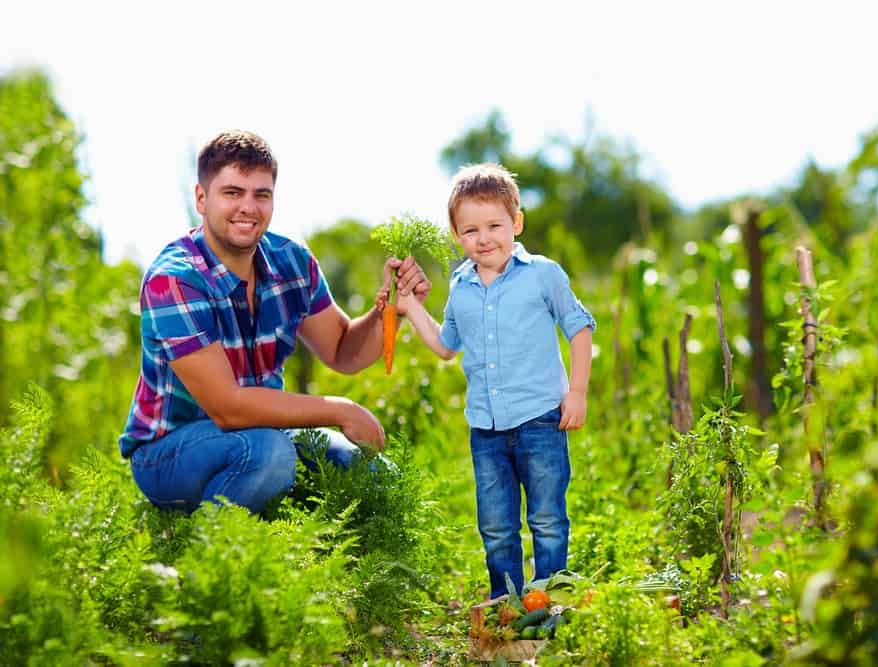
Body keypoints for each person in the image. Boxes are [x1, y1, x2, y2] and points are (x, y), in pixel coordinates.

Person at [119, 130, 430, 514]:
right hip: (169, 453)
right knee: (269, 454)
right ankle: (206, 555)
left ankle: (330, 563)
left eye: (261, 194)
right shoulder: (174, 279)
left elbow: (343, 351)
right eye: (232, 193)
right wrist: (340, 409)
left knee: (379, 478)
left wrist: (391, 312)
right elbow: (228, 408)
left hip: (267, 434)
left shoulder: (291, 262)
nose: (248, 207)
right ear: (202, 198)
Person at [379, 163, 595, 598]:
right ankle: (507, 605)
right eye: (470, 230)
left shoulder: (542, 274)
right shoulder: (460, 287)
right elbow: (445, 345)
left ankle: (550, 603)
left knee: (547, 519)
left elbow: (579, 328)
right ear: (457, 235)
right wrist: (409, 308)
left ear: (516, 223)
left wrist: (577, 391)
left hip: (540, 420)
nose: (484, 238)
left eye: (495, 225)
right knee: (496, 526)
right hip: (486, 430)